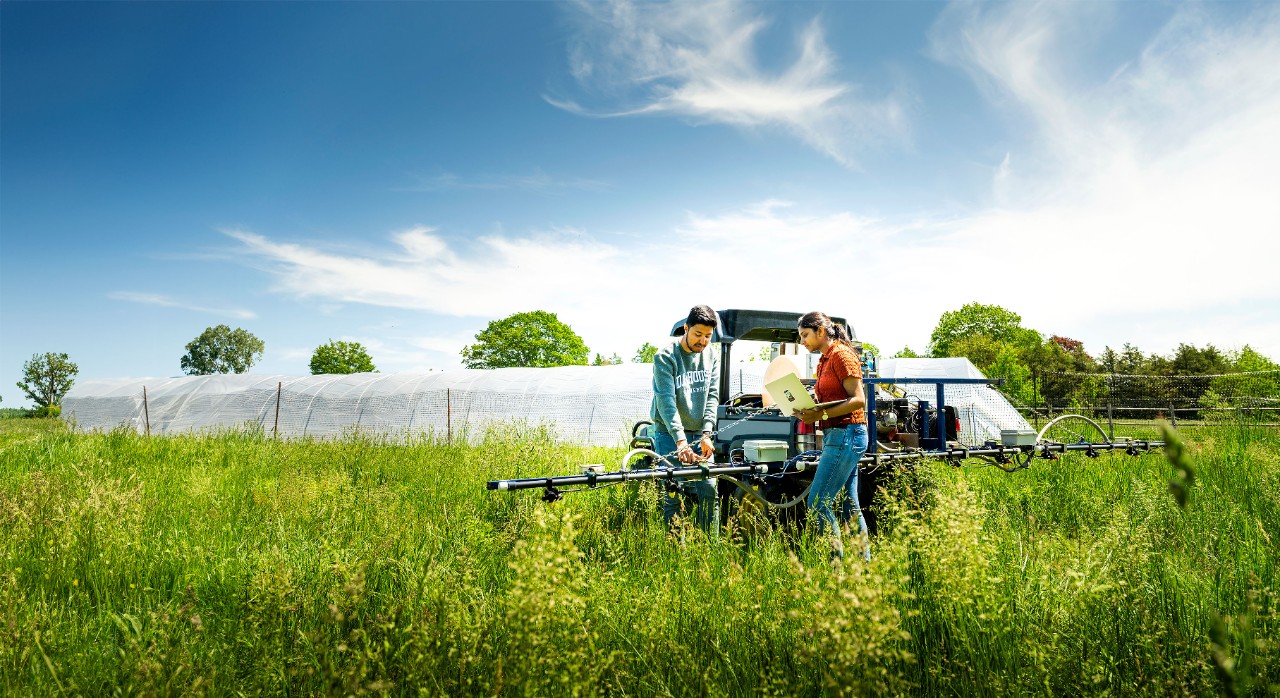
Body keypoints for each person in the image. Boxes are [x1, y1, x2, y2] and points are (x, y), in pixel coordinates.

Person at [791, 311, 870, 560]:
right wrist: (808, 406)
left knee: (817, 502)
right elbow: (831, 396)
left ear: (821, 332)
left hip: (847, 434)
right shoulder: (825, 358)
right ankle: (863, 568)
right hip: (838, 435)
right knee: (849, 505)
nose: (802, 341)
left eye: (805, 335)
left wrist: (820, 416)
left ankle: (836, 567)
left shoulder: (842, 355)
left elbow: (858, 400)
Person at [650, 304, 721, 536]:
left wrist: (707, 433)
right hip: (669, 433)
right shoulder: (665, 356)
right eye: (698, 334)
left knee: (709, 488)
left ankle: (709, 547)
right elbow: (666, 401)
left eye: (708, 336)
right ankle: (674, 551)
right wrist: (680, 441)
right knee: (673, 490)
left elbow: (712, 395)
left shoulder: (712, 355)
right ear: (686, 328)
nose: (702, 341)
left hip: (699, 431)